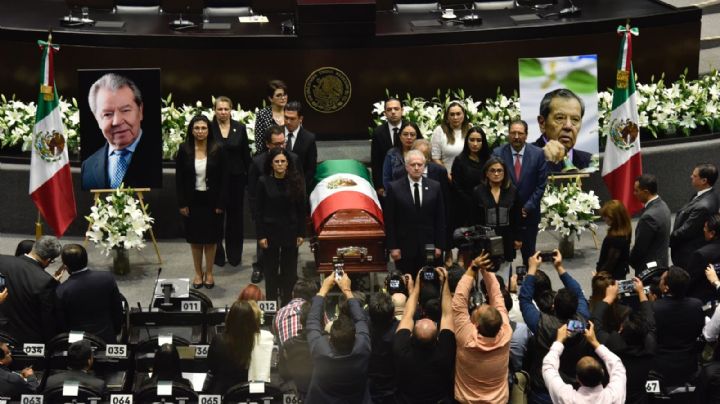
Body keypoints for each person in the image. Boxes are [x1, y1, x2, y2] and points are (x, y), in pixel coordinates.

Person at [520, 251, 592, 404]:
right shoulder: (583, 321)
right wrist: (560, 268)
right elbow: (578, 292)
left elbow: (525, 299)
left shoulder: (541, 324)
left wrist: (532, 269)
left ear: (554, 306)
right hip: (572, 386)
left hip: (544, 389)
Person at [81, 72, 161, 190]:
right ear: (97, 119)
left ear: (140, 111)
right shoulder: (88, 166)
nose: (117, 121)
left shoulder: (161, 158)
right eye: (107, 114)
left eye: (125, 110)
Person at [175, 115, 228, 289]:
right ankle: (198, 273)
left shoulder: (218, 149)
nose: (200, 131)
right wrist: (182, 203)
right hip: (192, 200)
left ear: (209, 130)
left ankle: (210, 273)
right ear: (191, 130)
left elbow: (223, 179)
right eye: (196, 128)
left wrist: (221, 203)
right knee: (196, 240)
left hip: (212, 201)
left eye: (203, 128)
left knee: (211, 240)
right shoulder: (184, 149)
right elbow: (179, 179)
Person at [452, 253, 512, 404]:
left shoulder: (466, 338)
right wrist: (486, 270)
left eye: (477, 311)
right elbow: (496, 295)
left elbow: (459, 301)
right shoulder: (506, 332)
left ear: (476, 325)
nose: (480, 305)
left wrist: (474, 268)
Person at [247, 126, 302, 283]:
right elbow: (252, 192)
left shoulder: (293, 159)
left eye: (283, 143)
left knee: (289, 252)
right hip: (266, 214)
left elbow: (299, 188)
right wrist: (255, 215)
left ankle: (289, 273)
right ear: (268, 144)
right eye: (276, 144)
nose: (280, 147)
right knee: (264, 245)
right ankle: (261, 267)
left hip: (287, 214)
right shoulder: (257, 162)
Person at [305, 274, 371, 403]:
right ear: (355, 337)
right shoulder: (362, 347)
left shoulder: (321, 350)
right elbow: (360, 319)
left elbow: (312, 321)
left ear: (330, 338)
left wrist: (323, 290)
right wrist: (347, 290)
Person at [394, 269, 455, 404]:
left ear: (411, 335)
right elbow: (447, 315)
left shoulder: (401, 350)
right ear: (437, 338)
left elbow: (408, 315)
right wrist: (444, 282)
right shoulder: (445, 353)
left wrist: (416, 287)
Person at [592, 277, 655, 404]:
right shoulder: (650, 344)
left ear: (621, 331)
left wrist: (608, 298)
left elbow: (595, 323)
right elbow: (650, 321)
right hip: (639, 397)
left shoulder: (612, 346)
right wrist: (642, 293)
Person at [493, 119, 548, 264]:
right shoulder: (497, 153)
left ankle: (529, 283)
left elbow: (541, 185)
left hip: (529, 213)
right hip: (505, 214)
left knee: (529, 255)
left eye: (520, 133)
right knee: (503, 257)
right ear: (508, 134)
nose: (516, 136)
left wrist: (527, 207)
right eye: (513, 133)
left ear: (526, 135)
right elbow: (494, 182)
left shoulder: (538, 154)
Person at [256, 148, 306, 305]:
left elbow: (301, 210)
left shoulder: (296, 181)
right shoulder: (263, 182)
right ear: (271, 164)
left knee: (289, 271)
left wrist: (301, 233)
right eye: (276, 161)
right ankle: (271, 305)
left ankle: (286, 303)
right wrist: (261, 235)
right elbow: (259, 211)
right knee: (270, 271)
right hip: (270, 232)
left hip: (290, 231)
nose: (280, 164)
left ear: (288, 164)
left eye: (283, 161)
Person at [385, 150, 446, 275]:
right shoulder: (394, 188)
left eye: (420, 164)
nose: (417, 168)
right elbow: (390, 220)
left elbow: (440, 219)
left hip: (429, 247)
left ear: (424, 166)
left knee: (429, 284)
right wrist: (393, 247)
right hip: (404, 247)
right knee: (407, 284)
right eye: (413, 165)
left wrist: (439, 245)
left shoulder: (435, 186)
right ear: (406, 166)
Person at [211, 96, 252, 268]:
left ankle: (234, 254)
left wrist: (250, 178)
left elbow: (245, 155)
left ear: (231, 110)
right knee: (216, 218)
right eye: (220, 109)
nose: (223, 112)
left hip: (236, 179)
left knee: (235, 218)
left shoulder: (240, 128)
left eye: (226, 109)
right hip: (215, 180)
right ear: (215, 110)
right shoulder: (208, 127)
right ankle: (217, 254)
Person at [542, 321, 627, 403]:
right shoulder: (614, 396)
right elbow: (617, 365)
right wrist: (595, 342)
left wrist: (559, 340)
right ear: (603, 372)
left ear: (577, 379)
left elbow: (548, 367)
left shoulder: (566, 397)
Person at [55, 244, 123, 344]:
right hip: (106, 335)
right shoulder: (107, 278)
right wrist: (116, 330)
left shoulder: (61, 290)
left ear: (65, 266)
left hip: (77, 342)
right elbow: (117, 308)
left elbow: (62, 322)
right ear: (86, 259)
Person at [0, 235, 61, 343]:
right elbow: (48, 320)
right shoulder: (46, 281)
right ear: (48, 260)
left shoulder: (2, 260)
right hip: (27, 340)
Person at [206, 300, 274, 393]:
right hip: (249, 392)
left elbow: (212, 367)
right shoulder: (262, 340)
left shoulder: (218, 340)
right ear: (252, 320)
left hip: (223, 391)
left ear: (229, 317)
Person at [653, 266, 704, 386]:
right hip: (689, 365)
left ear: (666, 288)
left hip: (660, 367)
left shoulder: (654, 308)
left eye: (661, 280)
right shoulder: (697, 305)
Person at [470, 157, 523, 265]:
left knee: (505, 271)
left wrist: (518, 238)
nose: (496, 173)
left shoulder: (512, 191)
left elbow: (517, 217)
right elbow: (473, 218)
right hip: (485, 239)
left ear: (504, 173)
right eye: (492, 170)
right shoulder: (478, 191)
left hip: (507, 238)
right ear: (486, 173)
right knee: (486, 273)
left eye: (499, 170)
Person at [670, 162, 719, 269]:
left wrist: (668, 240)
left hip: (688, 252)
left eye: (695, 176)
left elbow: (686, 230)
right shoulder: (709, 194)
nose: (691, 176)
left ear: (704, 181)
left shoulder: (703, 206)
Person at [533, 88, 592, 171]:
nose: (568, 126)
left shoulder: (590, 161)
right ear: (542, 123)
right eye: (560, 118)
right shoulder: (525, 157)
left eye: (575, 119)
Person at [629, 174, 671, 272]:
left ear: (646, 192)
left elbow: (640, 248)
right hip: (661, 262)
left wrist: (631, 260)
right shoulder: (663, 205)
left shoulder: (648, 217)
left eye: (636, 191)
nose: (634, 193)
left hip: (649, 268)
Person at [451, 126, 492, 227]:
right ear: (466, 141)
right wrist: (472, 202)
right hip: (466, 208)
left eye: (478, 140)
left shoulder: (489, 160)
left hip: (488, 206)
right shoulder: (460, 160)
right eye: (472, 140)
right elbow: (457, 187)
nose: (475, 144)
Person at [367, 292, 398, 403]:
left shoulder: (363, 330)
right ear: (393, 313)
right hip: (393, 388)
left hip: (369, 386)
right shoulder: (399, 331)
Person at [371, 97, 406, 197]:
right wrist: (379, 186)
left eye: (396, 109)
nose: (393, 112)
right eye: (389, 110)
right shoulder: (378, 132)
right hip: (387, 182)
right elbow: (376, 161)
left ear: (402, 111)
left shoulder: (410, 128)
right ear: (385, 113)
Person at [279, 301, 314, 398]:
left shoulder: (287, 345)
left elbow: (283, 376)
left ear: (301, 320)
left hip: (296, 395)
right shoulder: (328, 344)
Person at [686, 213, 720, 303]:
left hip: (701, 301)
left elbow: (689, 282)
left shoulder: (700, 254)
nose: (703, 230)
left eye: (705, 227)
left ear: (712, 233)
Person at [284, 101, 317, 191]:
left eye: (292, 119)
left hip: (299, 188)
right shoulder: (276, 134)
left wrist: (301, 186)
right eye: (286, 118)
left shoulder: (309, 138)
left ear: (300, 118)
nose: (288, 122)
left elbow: (311, 169)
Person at [274, 279, 318, 346]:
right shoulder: (316, 310)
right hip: (313, 353)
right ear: (314, 297)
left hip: (288, 354)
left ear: (292, 294)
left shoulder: (279, 313)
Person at [431, 101, 471, 175]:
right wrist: (448, 175)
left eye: (458, 114)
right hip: (446, 176)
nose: (455, 117)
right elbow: (435, 158)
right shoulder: (439, 131)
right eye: (452, 114)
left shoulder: (471, 130)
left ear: (464, 115)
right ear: (447, 117)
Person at [597, 200, 632, 280]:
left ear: (615, 218)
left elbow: (609, 264)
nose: (604, 219)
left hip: (610, 279)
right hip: (621, 272)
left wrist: (599, 275)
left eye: (606, 217)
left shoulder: (614, 239)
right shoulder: (627, 229)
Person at [382, 122, 422, 190]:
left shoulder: (422, 153)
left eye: (412, 135)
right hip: (396, 193)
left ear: (417, 137)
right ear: (400, 136)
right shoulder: (392, 153)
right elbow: (386, 178)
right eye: (405, 134)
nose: (409, 137)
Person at [254, 79, 288, 154]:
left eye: (284, 94)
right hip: (268, 159)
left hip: (290, 158)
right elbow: (259, 144)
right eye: (279, 95)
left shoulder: (291, 112)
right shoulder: (262, 114)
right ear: (270, 98)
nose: (283, 98)